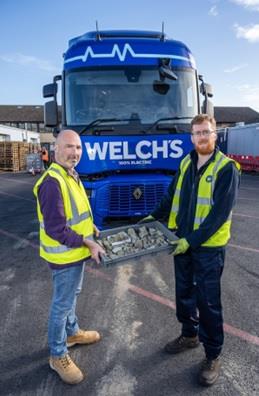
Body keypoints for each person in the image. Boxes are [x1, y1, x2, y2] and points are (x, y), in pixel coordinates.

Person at [141, 114, 240, 386]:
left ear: (215, 134)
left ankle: (213, 355)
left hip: (208, 248)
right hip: (181, 242)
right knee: (184, 293)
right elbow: (170, 196)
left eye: (206, 132)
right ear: (191, 136)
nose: (202, 137)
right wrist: (153, 216)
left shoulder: (226, 168)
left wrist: (191, 240)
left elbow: (219, 215)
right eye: (197, 133)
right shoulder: (186, 162)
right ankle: (189, 334)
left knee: (207, 302)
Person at [33, 130, 105, 385]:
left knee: (72, 295)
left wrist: (91, 229)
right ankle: (57, 354)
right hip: (64, 256)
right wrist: (86, 241)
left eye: (78, 148)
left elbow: (77, 213)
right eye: (68, 147)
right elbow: (56, 228)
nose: (74, 153)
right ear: (55, 150)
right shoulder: (52, 182)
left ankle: (72, 333)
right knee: (61, 305)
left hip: (76, 252)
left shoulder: (70, 174)